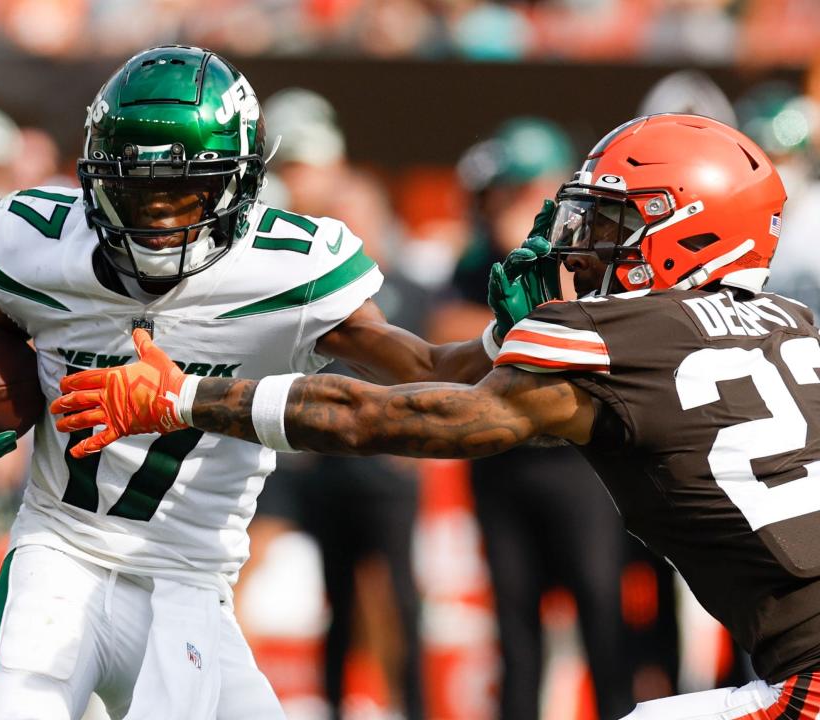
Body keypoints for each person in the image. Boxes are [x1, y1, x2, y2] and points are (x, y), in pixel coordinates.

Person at [54, 113, 820, 718]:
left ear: (688, 233)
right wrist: (479, 337)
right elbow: (440, 368)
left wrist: (186, 397)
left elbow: (400, 420)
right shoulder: (796, 322)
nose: (580, 248)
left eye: (613, 226)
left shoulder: (619, 341)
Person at [0, 45, 493, 719]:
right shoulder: (41, 250)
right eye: (136, 192)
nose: (161, 220)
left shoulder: (286, 274)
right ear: (95, 183)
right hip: (59, 557)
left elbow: (432, 369)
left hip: (189, 586)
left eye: (184, 190)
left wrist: (511, 337)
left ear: (241, 182)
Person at [436, 117, 633, 719]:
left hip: (579, 463)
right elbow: (443, 336)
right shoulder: (479, 260)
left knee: (601, 613)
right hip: (502, 460)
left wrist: (517, 327)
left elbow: (583, 332)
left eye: (521, 189)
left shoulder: (588, 258)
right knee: (515, 628)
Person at [249, 88, 427, 719]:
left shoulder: (389, 278)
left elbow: (431, 356)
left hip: (366, 458)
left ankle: (405, 707)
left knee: (391, 598)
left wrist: (426, 435)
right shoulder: (266, 253)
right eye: (289, 167)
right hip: (298, 449)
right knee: (312, 592)